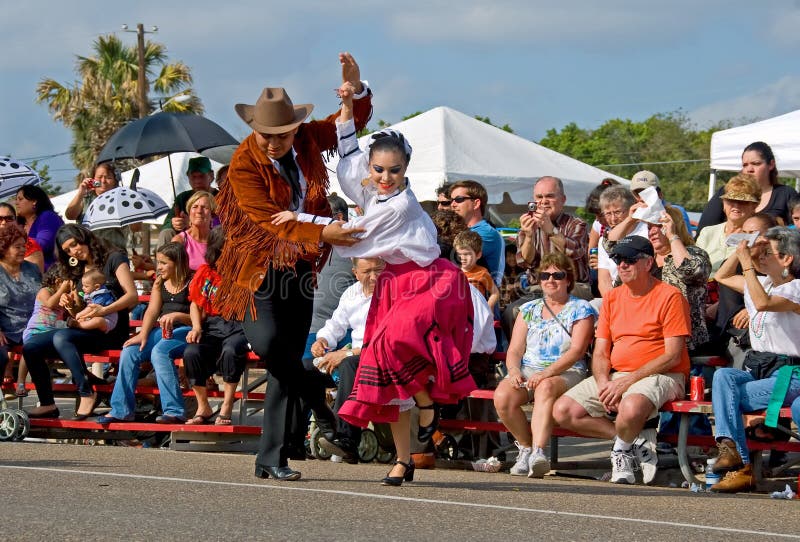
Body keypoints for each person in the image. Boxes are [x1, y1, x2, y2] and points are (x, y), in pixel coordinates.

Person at [213, 52, 371, 482]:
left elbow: (348, 128)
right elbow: (268, 222)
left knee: (286, 358)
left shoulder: (304, 139)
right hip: (254, 271)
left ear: (293, 128)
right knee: (271, 349)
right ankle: (323, 412)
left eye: (281, 134)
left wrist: (354, 91)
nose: (272, 142)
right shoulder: (243, 166)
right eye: (265, 134)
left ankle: (273, 457)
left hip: (300, 267)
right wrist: (324, 233)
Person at [333, 79, 476, 487]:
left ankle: (428, 403)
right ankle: (403, 459)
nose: (385, 177)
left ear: (406, 170)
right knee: (382, 363)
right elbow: (346, 152)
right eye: (378, 169)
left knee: (391, 343)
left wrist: (303, 226)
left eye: (394, 170)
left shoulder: (399, 204)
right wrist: (347, 105)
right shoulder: (370, 186)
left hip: (431, 283)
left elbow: (355, 233)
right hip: (395, 283)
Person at [552, 235, 691, 485]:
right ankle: (633, 440)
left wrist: (625, 383)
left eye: (629, 259)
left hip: (663, 375)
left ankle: (622, 451)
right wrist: (605, 381)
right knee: (563, 411)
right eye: (617, 259)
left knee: (629, 407)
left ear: (648, 263)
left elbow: (672, 355)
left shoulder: (670, 296)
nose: (621, 265)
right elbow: (601, 351)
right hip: (619, 374)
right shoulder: (613, 298)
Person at [709, 227, 800, 492]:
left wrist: (748, 263)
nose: (760, 255)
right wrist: (743, 250)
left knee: (730, 398)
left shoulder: (795, 289)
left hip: (789, 373)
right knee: (724, 376)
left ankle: (741, 467)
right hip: (761, 366)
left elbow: (762, 303)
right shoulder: (762, 283)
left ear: (787, 259)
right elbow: (722, 275)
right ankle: (733, 453)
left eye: (766, 252)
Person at [494, 252, 597, 478]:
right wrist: (513, 371)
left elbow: (577, 351)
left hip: (567, 370)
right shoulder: (528, 309)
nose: (550, 280)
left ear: (568, 279)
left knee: (546, 387)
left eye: (557, 275)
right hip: (528, 368)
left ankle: (539, 453)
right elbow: (515, 350)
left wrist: (546, 373)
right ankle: (526, 448)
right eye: (545, 275)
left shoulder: (581, 308)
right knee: (503, 397)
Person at [23, 224, 138, 419]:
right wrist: (70, 305)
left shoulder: (114, 258)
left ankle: (87, 391)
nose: (74, 251)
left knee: (61, 337)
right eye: (68, 250)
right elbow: (78, 311)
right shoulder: (78, 270)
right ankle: (48, 404)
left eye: (75, 244)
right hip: (84, 329)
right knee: (31, 346)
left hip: (110, 330)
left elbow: (132, 296)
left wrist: (105, 309)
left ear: (84, 238)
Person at [97, 242, 192, 424]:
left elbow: (200, 317)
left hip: (186, 330)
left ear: (178, 262)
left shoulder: (192, 281)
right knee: (130, 351)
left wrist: (178, 316)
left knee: (160, 352)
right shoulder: (160, 282)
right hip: (164, 330)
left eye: (164, 263)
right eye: (158, 262)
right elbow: (152, 311)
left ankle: (174, 411)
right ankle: (121, 409)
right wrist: (143, 334)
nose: (159, 267)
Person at [310, 257, 386, 463]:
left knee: (349, 366)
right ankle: (298, 435)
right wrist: (323, 340)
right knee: (304, 368)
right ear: (355, 273)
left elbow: (385, 341)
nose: (373, 277)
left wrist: (346, 353)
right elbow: (335, 324)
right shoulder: (351, 293)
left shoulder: (391, 295)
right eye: (367, 271)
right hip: (357, 355)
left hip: (383, 357)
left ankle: (345, 439)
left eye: (378, 270)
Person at [503, 176, 590, 339]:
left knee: (548, 308)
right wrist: (528, 236)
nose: (543, 202)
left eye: (550, 196)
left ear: (563, 200)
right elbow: (524, 261)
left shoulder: (576, 224)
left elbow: (575, 252)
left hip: (574, 286)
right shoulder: (529, 225)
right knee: (511, 312)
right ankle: (519, 360)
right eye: (539, 197)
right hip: (537, 288)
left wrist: (550, 229)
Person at [184, 227, 250, 426]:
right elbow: (195, 303)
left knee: (232, 350)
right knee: (191, 352)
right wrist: (196, 327)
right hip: (213, 324)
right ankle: (203, 406)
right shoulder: (206, 272)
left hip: (239, 324)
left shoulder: (246, 272)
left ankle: (227, 405)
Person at [698, 141, 798, 235]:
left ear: (771, 164)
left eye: (756, 163)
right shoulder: (727, 191)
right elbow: (704, 230)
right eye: (745, 165)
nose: (749, 169)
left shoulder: (786, 194)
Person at [19, 263, 70, 397]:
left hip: (51, 333)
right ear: (59, 281)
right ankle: (20, 382)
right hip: (36, 330)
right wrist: (62, 290)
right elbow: (50, 303)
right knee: (27, 349)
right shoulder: (45, 291)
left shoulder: (63, 296)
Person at [696, 174, 761, 277]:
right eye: (731, 200)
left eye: (743, 202)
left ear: (755, 206)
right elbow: (695, 267)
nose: (736, 205)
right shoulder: (707, 232)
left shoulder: (757, 237)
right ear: (723, 203)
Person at [0, 224, 41, 382]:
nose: (23, 250)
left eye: (24, 246)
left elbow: (43, 295)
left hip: (33, 328)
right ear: (4, 248)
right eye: (17, 247)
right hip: (5, 329)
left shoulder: (32, 269)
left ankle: (47, 403)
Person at [449, 179, 505, 285]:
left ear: (476, 203)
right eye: (451, 200)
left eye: (459, 199)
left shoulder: (487, 233)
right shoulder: (464, 230)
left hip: (483, 299)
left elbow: (452, 255)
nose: (453, 204)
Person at [596, 185, 648, 297]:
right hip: (616, 296)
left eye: (618, 212)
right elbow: (604, 280)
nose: (613, 219)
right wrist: (612, 304)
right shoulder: (604, 240)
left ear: (631, 209)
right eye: (608, 214)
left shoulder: (647, 231)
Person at [64, 163, 128, 250]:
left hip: (115, 251)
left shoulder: (122, 199)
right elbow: (70, 215)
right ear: (92, 179)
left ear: (115, 181)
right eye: (99, 177)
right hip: (90, 252)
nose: (103, 181)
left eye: (108, 178)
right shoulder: (85, 199)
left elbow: (137, 227)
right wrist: (81, 193)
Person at [158, 156, 219, 247]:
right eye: (194, 177)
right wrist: (174, 223)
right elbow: (167, 224)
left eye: (202, 176)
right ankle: (163, 260)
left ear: (211, 176)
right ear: (188, 177)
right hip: (185, 241)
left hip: (213, 241)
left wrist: (191, 223)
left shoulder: (220, 197)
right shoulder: (182, 198)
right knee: (166, 233)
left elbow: (224, 225)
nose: (198, 181)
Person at [15, 185, 64, 270]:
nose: (16, 203)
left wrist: (12, 250)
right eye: (16, 200)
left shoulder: (47, 217)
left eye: (20, 199)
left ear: (34, 201)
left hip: (52, 274)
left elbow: (42, 245)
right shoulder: (19, 225)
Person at [628, 170, 693, 233]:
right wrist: (630, 221)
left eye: (647, 193)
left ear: (659, 194)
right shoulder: (632, 216)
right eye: (637, 193)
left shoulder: (676, 212)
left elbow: (686, 241)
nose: (642, 198)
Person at [454, 230, 500, 310]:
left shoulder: (482, 273)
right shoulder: (453, 271)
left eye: (467, 254)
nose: (462, 258)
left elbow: (495, 293)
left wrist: (488, 308)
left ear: (478, 255)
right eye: (459, 254)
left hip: (476, 314)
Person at [172, 191, 215, 271]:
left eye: (205, 207)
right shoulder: (179, 241)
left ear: (212, 214)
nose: (199, 211)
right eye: (195, 207)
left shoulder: (219, 241)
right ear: (189, 212)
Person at [67, 268, 117, 333]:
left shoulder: (101, 295)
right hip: (95, 315)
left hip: (107, 320)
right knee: (86, 319)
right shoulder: (91, 293)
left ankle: (78, 325)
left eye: (86, 286)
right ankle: (78, 324)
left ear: (97, 287)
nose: (83, 288)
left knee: (98, 321)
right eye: (83, 285)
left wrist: (80, 314)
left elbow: (91, 308)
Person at [0, 202, 44, 272]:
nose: (3, 222)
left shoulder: (27, 244)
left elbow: (34, 279)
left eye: (9, 218)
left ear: (15, 220)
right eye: (0, 219)